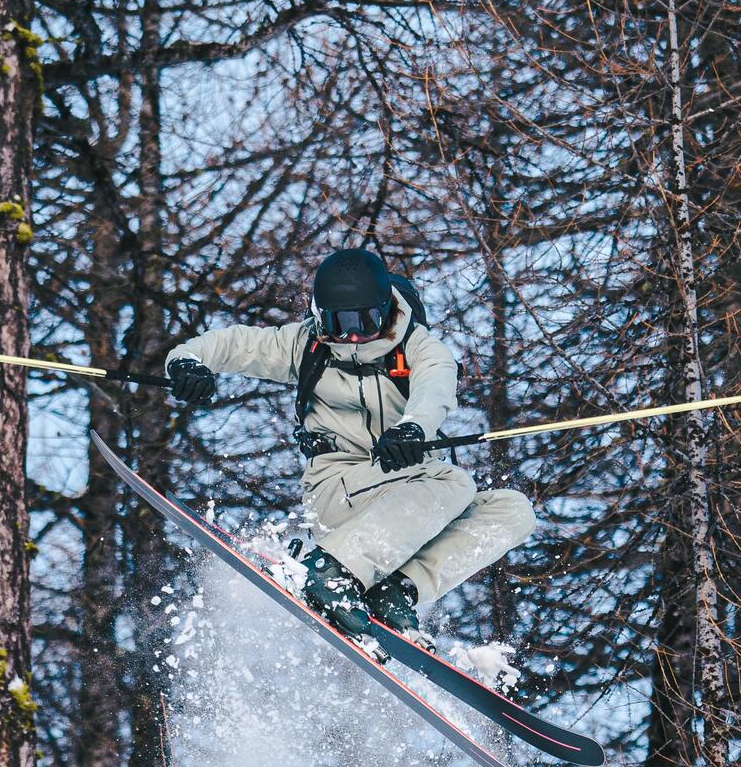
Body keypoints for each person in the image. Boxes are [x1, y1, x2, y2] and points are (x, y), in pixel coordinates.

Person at [164, 249, 537, 639]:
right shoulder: (305, 346)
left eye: (366, 320)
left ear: (387, 310)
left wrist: (412, 430)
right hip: (338, 489)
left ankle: (396, 590)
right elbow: (235, 344)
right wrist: (187, 362)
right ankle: (330, 570)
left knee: (513, 511)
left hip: (401, 500)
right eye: (340, 323)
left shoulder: (420, 348)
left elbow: (434, 390)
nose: (354, 335)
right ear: (322, 316)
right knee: (453, 483)